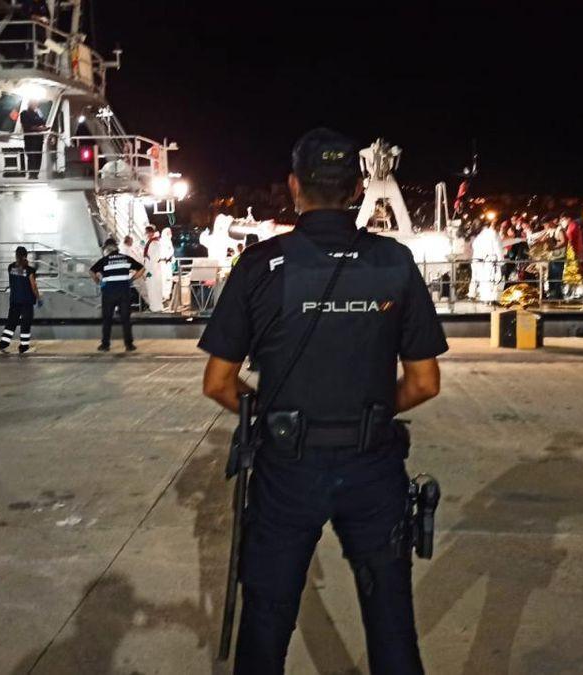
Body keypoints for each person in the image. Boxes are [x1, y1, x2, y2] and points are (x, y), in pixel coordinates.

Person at [199, 128, 447, 675]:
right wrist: (370, 413)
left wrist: (273, 415)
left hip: (286, 470)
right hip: (373, 466)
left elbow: (218, 383)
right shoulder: (394, 261)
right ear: (357, 190)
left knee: (265, 623)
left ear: (294, 186)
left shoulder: (260, 264)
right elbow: (425, 382)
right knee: (391, 624)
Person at [90, 237, 145, 352]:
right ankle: (129, 345)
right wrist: (131, 279)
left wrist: (98, 282)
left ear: (106, 249)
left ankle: (105, 345)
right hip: (124, 293)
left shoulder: (105, 260)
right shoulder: (125, 258)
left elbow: (91, 271)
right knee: (126, 319)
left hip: (109, 293)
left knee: (107, 319)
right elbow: (142, 269)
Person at [0, 246, 41, 354]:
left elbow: (19, 271)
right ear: (25, 256)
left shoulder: (10, 268)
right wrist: (38, 297)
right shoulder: (29, 270)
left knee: (11, 323)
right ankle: (24, 347)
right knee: (25, 323)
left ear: (16, 255)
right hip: (26, 301)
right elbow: (33, 286)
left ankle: (3, 345)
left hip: (14, 300)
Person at [19, 100, 49, 179]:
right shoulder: (24, 113)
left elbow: (43, 122)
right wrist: (39, 128)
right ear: (29, 104)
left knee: (38, 157)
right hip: (30, 139)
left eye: (36, 104)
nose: (36, 105)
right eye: (34, 103)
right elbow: (27, 126)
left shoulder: (37, 113)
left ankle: (36, 174)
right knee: (31, 157)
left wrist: (42, 127)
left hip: (39, 139)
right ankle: (32, 175)